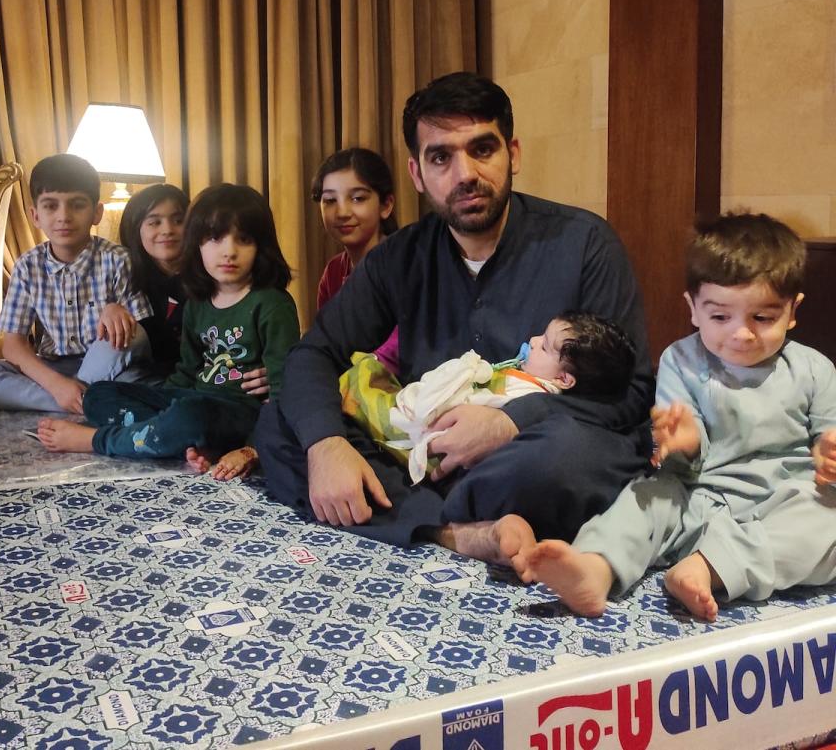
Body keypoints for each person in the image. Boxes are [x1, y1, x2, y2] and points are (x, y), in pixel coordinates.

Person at [256, 71, 654, 564]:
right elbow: (314, 352)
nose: (464, 173)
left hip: (531, 451)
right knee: (282, 424)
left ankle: (418, 515)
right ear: (417, 175)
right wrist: (327, 444)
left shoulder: (585, 244)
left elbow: (632, 393)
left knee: (567, 458)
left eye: (482, 149)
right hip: (429, 455)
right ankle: (459, 534)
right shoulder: (398, 259)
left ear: (514, 154)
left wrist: (511, 424)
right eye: (441, 157)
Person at [526, 213, 836, 621]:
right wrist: (682, 443)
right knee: (645, 498)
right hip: (700, 500)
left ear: (792, 310)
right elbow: (679, 458)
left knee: (826, 520)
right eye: (720, 317)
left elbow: (827, 439)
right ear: (693, 308)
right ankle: (595, 567)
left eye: (762, 318)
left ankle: (709, 569)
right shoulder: (681, 361)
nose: (741, 334)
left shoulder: (814, 368)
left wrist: (829, 454)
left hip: (783, 506)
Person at [37, 183, 300, 481]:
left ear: (261, 246)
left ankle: (99, 440)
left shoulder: (272, 304)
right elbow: (187, 372)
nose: (228, 251)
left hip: (240, 411)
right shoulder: (198, 301)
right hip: (195, 400)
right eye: (214, 238)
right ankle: (178, 437)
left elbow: (285, 392)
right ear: (197, 244)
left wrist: (252, 448)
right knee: (98, 395)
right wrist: (158, 400)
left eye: (243, 239)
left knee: (189, 414)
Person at [0, 153, 152, 413]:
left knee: (134, 351)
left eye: (77, 205)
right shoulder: (28, 266)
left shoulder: (117, 259)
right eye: (51, 206)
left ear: (97, 212)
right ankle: (80, 402)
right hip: (53, 368)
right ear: (35, 216)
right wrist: (57, 385)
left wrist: (117, 311)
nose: (64, 216)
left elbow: (137, 337)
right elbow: (14, 344)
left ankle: (78, 399)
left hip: (108, 365)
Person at [340, 311, 635, 485]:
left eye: (544, 347)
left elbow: (482, 411)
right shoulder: (526, 378)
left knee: (366, 389)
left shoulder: (529, 394)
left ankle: (358, 387)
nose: (532, 341)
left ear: (563, 379)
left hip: (442, 444)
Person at [119, 183, 271, 397]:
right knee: (107, 391)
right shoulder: (126, 276)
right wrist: (110, 309)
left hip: (212, 385)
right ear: (135, 228)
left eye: (179, 220)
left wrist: (274, 372)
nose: (167, 230)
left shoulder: (217, 280)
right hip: (155, 377)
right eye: (154, 222)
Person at [312, 148, 399, 373]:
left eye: (358, 198)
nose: (342, 212)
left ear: (386, 205)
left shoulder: (405, 263)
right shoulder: (332, 272)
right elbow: (327, 342)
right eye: (330, 200)